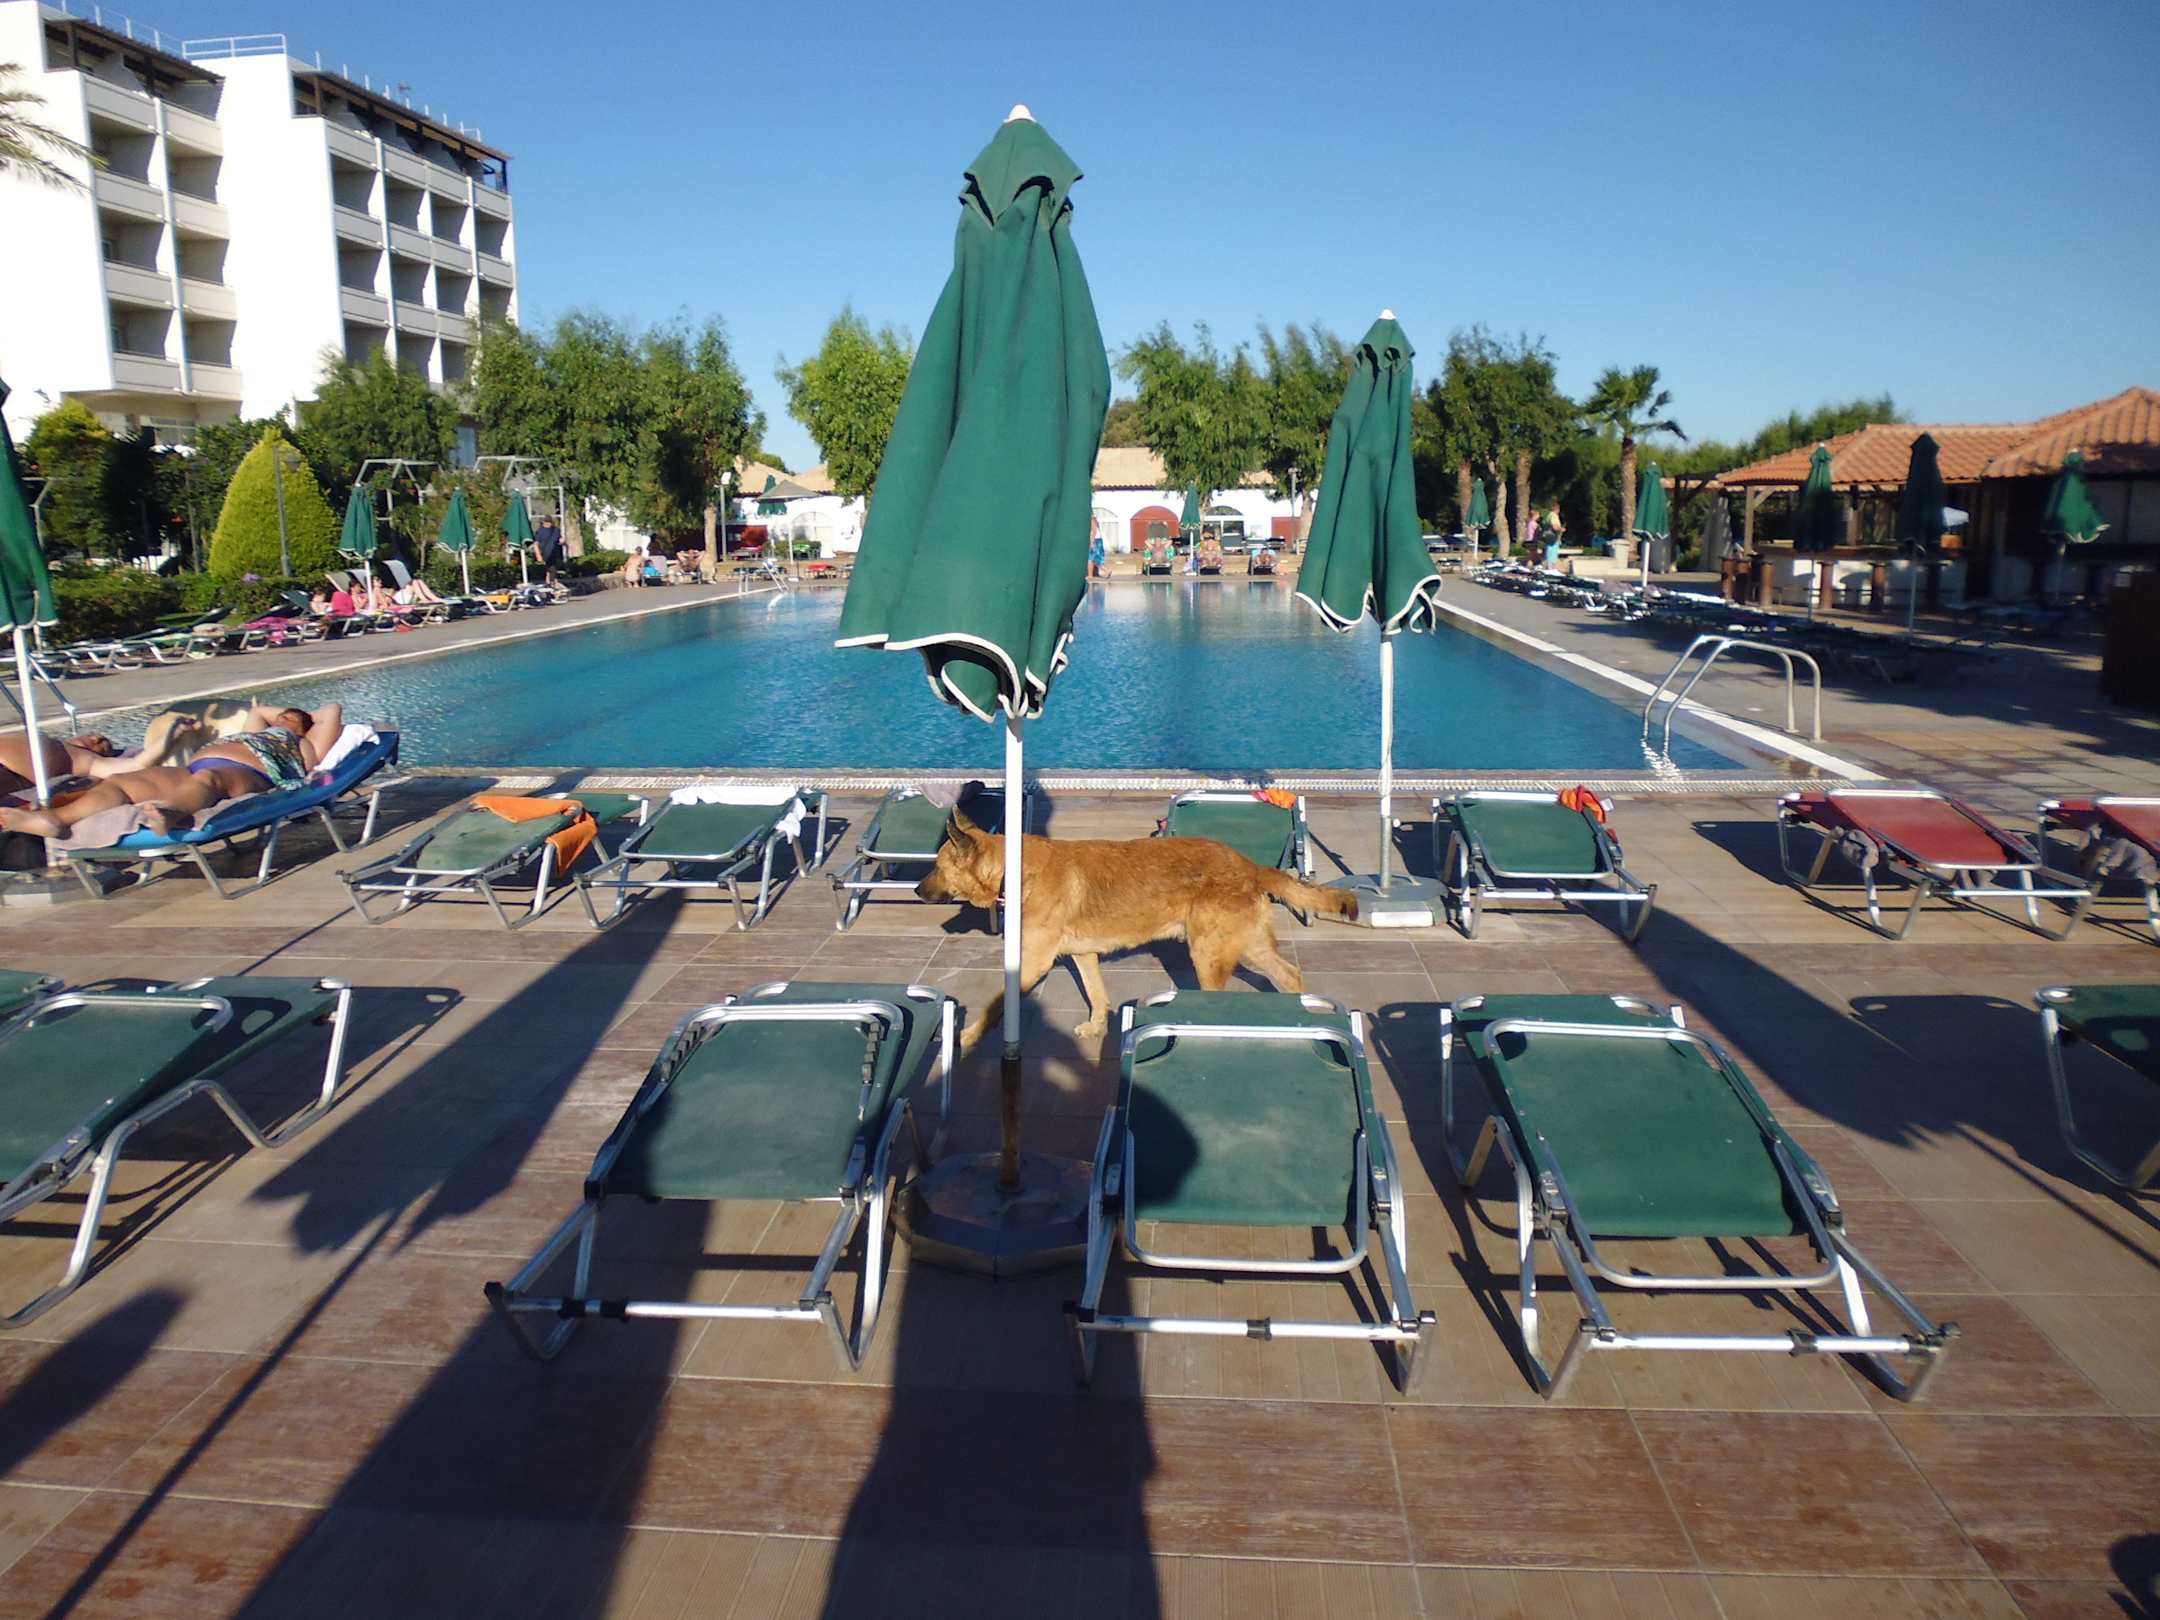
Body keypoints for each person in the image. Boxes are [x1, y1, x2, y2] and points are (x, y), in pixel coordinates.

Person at [0, 704, 345, 840]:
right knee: (123, 782)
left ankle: (172, 813)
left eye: (290, 718)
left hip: (249, 772)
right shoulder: (255, 729)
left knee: (209, 781)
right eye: (281, 715)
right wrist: (286, 715)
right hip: (193, 765)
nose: (282, 718)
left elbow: (332, 709)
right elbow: (258, 710)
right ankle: (56, 819)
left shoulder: (306, 745)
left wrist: (303, 722)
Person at [533, 517, 565, 586]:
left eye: (549, 522)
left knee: (551, 568)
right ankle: (552, 582)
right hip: (545, 553)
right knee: (551, 567)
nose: (547, 523)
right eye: (546, 522)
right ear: (543, 522)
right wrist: (538, 555)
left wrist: (562, 541)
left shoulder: (556, 530)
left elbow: (559, 539)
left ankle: (550, 582)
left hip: (554, 552)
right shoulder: (540, 531)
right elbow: (536, 543)